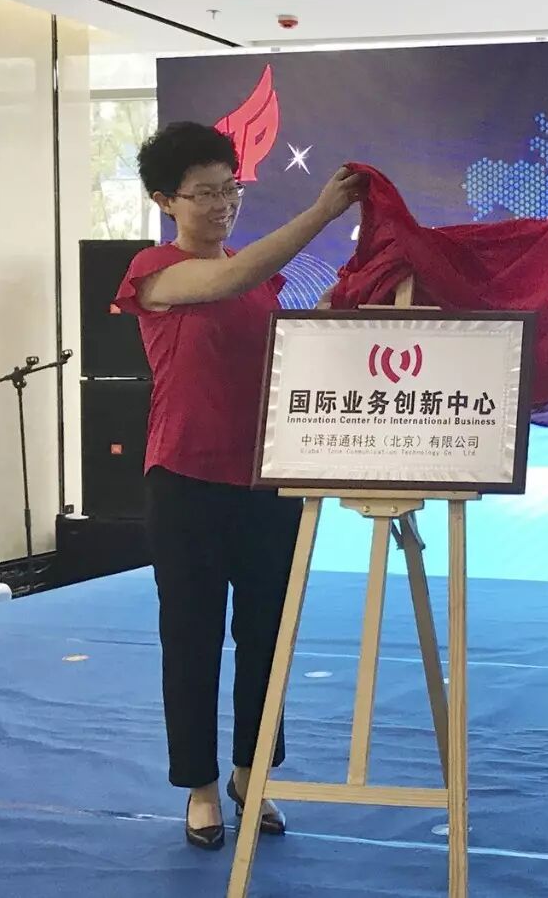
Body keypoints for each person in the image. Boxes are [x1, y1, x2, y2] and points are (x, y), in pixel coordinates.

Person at [112, 122, 363, 849]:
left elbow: (284, 353)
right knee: (192, 637)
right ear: (165, 201)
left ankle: (253, 775)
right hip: (186, 481)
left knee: (268, 637)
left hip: (267, 483)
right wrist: (321, 212)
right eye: (204, 193)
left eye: (231, 188)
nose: (223, 204)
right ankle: (199, 788)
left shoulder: (261, 286)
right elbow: (231, 277)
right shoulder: (156, 272)